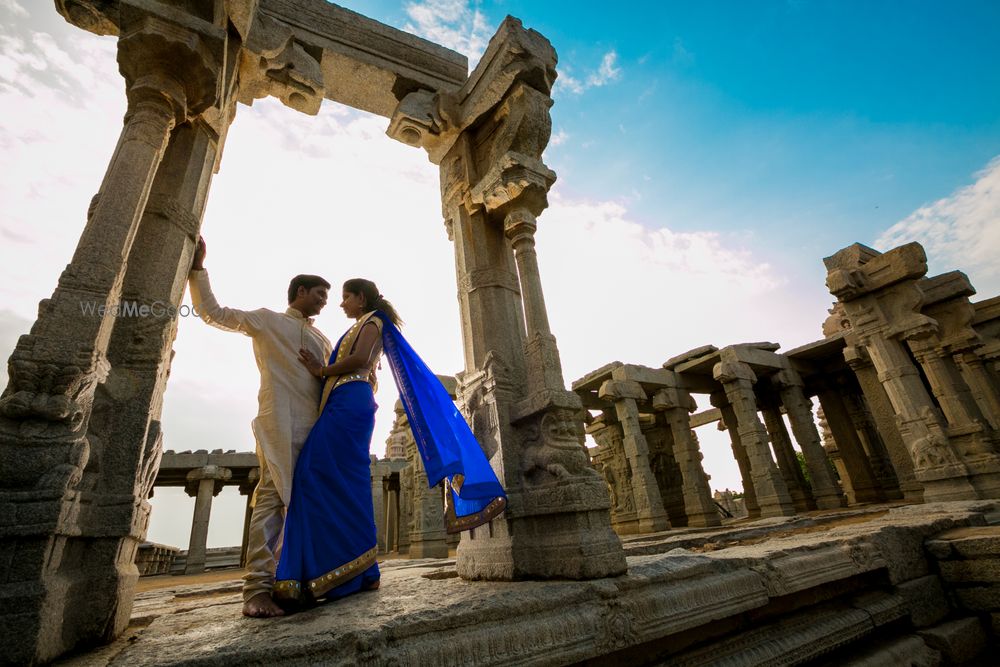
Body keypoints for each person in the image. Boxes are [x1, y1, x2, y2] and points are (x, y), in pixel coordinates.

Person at [272, 279, 507, 608]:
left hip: (350, 401)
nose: (341, 304)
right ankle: (357, 568)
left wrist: (320, 369)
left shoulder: (373, 321)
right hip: (346, 401)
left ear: (361, 298)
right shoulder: (362, 323)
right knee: (341, 479)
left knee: (314, 472)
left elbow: (362, 360)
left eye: (345, 298)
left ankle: (337, 569)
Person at [188, 236, 332, 618]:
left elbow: (333, 381)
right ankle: (256, 590)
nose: (324, 302)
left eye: (327, 296)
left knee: (307, 504)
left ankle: (296, 582)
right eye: (319, 294)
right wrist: (198, 270)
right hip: (278, 421)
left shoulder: (322, 338)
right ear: (299, 292)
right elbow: (214, 313)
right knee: (271, 497)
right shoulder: (267, 321)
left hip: (316, 428)